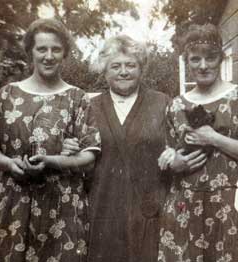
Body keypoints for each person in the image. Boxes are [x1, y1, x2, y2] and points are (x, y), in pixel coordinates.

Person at [62, 35, 207, 262]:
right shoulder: (89, 107)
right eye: (115, 66)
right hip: (103, 209)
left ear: (141, 68)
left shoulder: (163, 103)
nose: (123, 72)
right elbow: (79, 162)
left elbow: (186, 144)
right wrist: (70, 149)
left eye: (131, 65)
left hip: (151, 208)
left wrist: (178, 157)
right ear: (104, 70)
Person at [0, 18, 101, 262]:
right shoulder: (8, 94)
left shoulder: (77, 98)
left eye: (56, 49)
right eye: (41, 49)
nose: (49, 56)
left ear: (64, 53)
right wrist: (8, 164)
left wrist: (53, 160)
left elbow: (90, 154)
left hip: (63, 205)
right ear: (30, 52)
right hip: (15, 201)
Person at [157, 23, 238, 262]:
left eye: (210, 58)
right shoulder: (176, 105)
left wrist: (214, 138)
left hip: (231, 206)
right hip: (184, 207)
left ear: (220, 58)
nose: (203, 65)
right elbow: (168, 152)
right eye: (195, 59)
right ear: (187, 62)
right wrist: (173, 162)